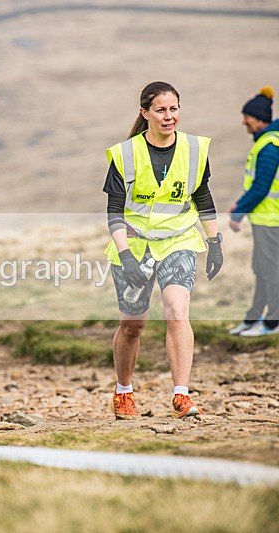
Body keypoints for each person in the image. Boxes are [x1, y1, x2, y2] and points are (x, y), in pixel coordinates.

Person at [103, 81, 223, 420]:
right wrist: (125, 255)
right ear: (145, 113)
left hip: (179, 241)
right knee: (132, 326)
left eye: (173, 109)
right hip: (135, 245)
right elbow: (114, 211)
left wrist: (214, 241)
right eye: (160, 110)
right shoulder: (125, 154)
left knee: (176, 310)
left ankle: (181, 395)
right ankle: (124, 391)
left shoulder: (195, 149)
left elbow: (202, 197)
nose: (169, 116)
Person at [228, 87, 279, 337]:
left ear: (259, 118)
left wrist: (238, 213)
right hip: (264, 219)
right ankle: (253, 318)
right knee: (261, 269)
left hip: (271, 220)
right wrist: (240, 206)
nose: (244, 121)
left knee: (271, 271)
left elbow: (261, 188)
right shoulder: (265, 143)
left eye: (247, 116)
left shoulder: (269, 147)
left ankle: (272, 323)